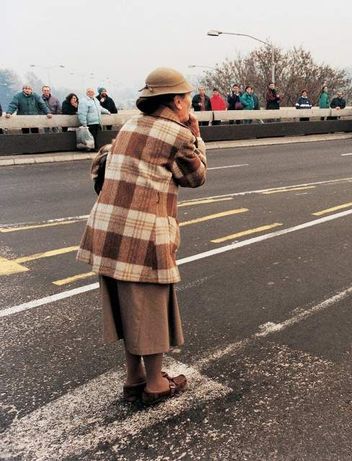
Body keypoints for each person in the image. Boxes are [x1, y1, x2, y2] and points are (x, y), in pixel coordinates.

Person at [76, 67, 207, 405]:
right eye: (188, 98)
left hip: (107, 230)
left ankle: (134, 377)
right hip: (143, 235)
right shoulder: (176, 134)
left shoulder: (130, 125)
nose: (190, 104)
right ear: (177, 101)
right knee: (148, 307)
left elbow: (104, 164)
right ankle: (156, 385)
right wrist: (196, 136)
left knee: (125, 305)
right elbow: (196, 177)